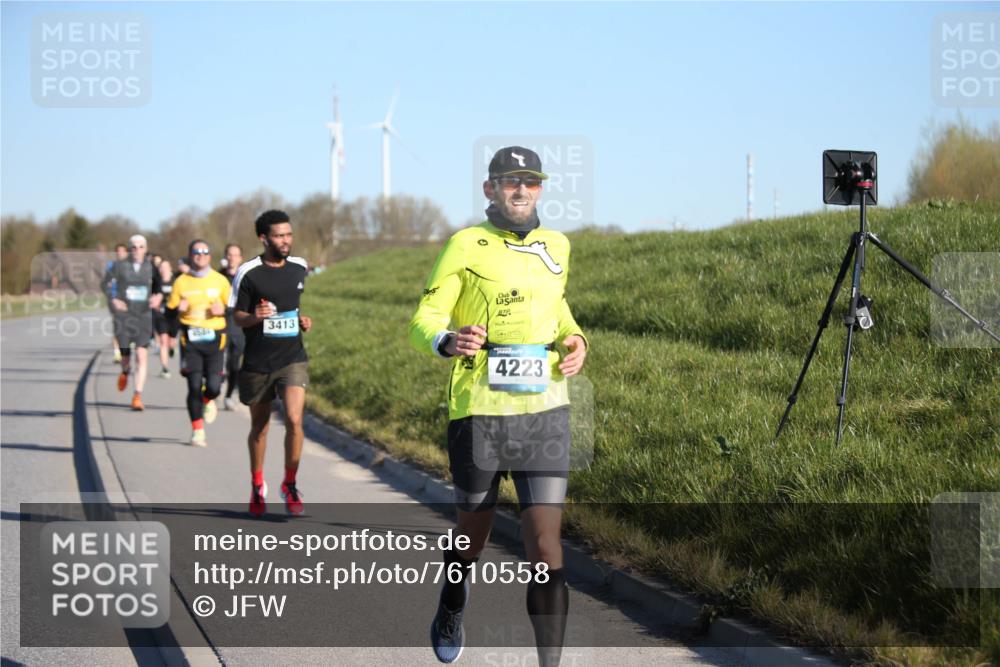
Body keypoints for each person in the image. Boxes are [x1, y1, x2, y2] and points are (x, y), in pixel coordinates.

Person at [409, 147, 588, 666]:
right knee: (473, 536)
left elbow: (559, 312)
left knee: (546, 548)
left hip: (545, 410)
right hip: (479, 411)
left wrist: (576, 340)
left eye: (530, 182)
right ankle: (452, 602)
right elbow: (425, 316)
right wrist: (446, 340)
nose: (521, 190)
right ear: (490, 189)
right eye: (510, 182)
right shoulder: (465, 244)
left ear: (540, 188)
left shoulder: (557, 245)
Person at [229, 210, 312, 517]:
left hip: (292, 358)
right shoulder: (248, 272)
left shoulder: (299, 268)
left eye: (289, 234)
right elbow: (236, 316)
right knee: (260, 429)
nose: (286, 240)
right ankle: (257, 483)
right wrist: (255, 317)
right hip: (257, 362)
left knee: (293, 419)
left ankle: (289, 484)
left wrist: (302, 320)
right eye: (279, 235)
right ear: (264, 238)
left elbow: (293, 308)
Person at [166, 241, 231, 446]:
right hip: (190, 339)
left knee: (213, 387)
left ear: (210, 256)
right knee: (194, 386)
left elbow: (235, 307)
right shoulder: (181, 282)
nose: (200, 256)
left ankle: (208, 400)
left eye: (204, 252)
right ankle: (197, 430)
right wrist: (178, 310)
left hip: (215, 339)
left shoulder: (220, 280)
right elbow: (168, 312)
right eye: (196, 252)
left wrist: (225, 310)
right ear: (190, 255)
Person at [104, 234, 162, 411]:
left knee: (141, 355)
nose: (137, 250)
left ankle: (137, 395)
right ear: (129, 249)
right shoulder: (119, 267)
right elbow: (106, 284)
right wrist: (114, 299)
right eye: (133, 247)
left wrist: (157, 297)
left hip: (143, 316)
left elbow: (159, 288)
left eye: (140, 247)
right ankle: (125, 370)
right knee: (126, 356)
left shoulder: (151, 267)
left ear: (145, 249)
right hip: (124, 316)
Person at [220, 243, 245, 411]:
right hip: (221, 324)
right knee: (218, 362)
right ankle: (213, 390)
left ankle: (229, 395)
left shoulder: (245, 278)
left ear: (240, 258)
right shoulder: (218, 277)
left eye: (235, 255)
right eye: (229, 254)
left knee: (234, 365)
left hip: (238, 326)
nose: (232, 258)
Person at [152, 259, 180, 378]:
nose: (163, 269)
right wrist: (153, 302)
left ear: (170, 268)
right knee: (163, 341)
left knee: (171, 341)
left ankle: (172, 348)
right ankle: (165, 368)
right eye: (161, 267)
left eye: (165, 267)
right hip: (161, 314)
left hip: (174, 315)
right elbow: (152, 296)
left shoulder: (176, 280)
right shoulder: (156, 281)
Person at [105, 243, 129, 362]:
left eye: (122, 251)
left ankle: (125, 347)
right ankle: (117, 352)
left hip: (128, 300)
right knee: (118, 326)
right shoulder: (111, 266)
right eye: (118, 251)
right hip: (114, 300)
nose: (120, 253)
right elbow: (106, 283)